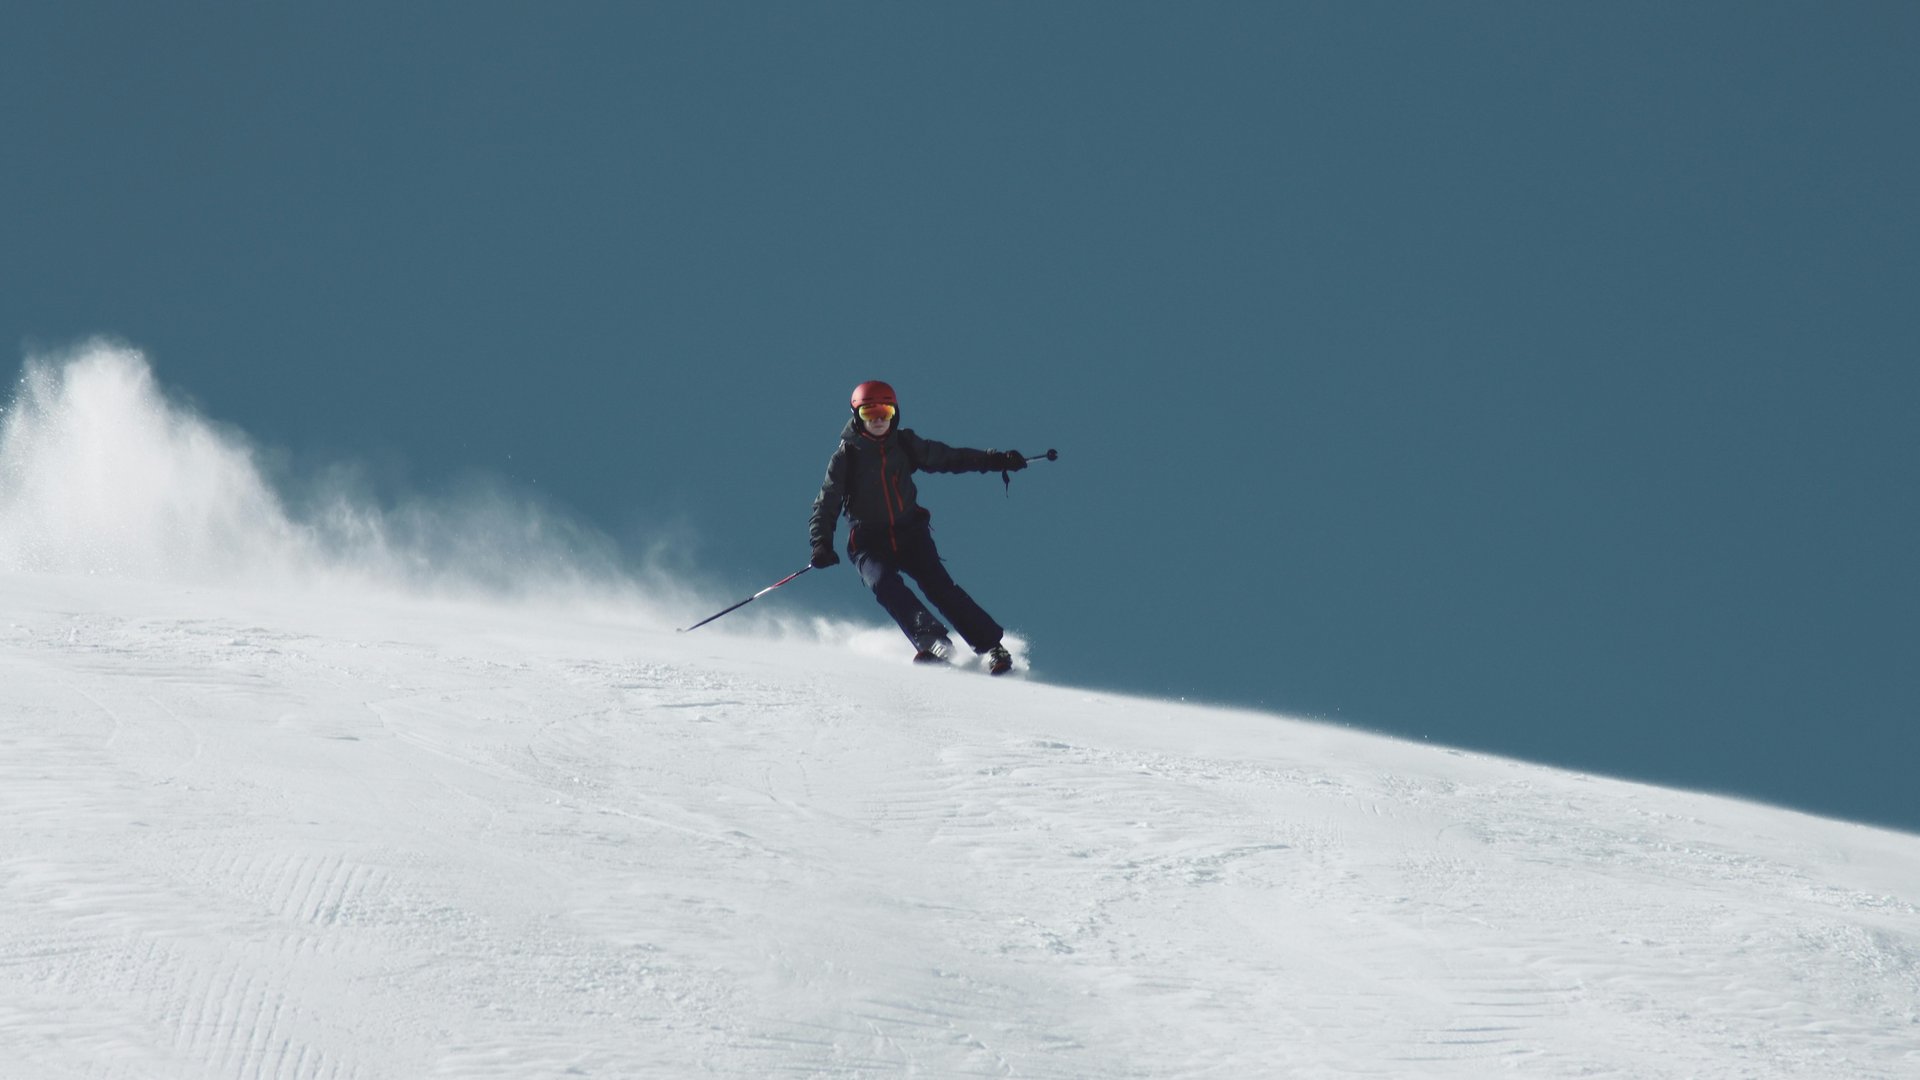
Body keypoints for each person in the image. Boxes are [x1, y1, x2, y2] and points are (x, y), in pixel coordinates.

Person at [809, 380, 1025, 674]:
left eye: (884, 412)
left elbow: (950, 457)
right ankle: (934, 641)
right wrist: (821, 543)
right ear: (856, 416)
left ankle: (991, 646)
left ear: (894, 414)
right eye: (868, 414)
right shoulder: (847, 457)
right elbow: (827, 502)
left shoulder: (905, 444)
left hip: (910, 533)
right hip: (869, 541)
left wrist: (995, 460)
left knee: (940, 587)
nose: (878, 421)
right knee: (884, 583)